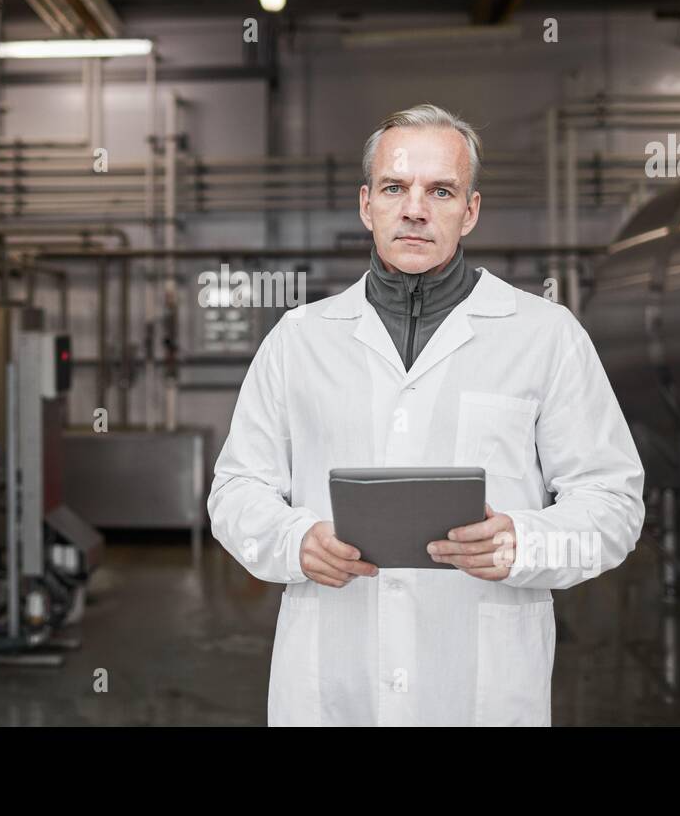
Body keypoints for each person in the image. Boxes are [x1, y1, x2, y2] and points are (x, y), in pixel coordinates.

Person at [207, 103, 645, 726]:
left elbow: (613, 503)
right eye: (394, 188)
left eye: (441, 190)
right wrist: (294, 541)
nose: (415, 209)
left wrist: (525, 543)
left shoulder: (546, 335)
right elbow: (236, 490)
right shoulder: (299, 339)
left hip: (481, 692)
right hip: (333, 689)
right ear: (367, 205)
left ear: (470, 211)